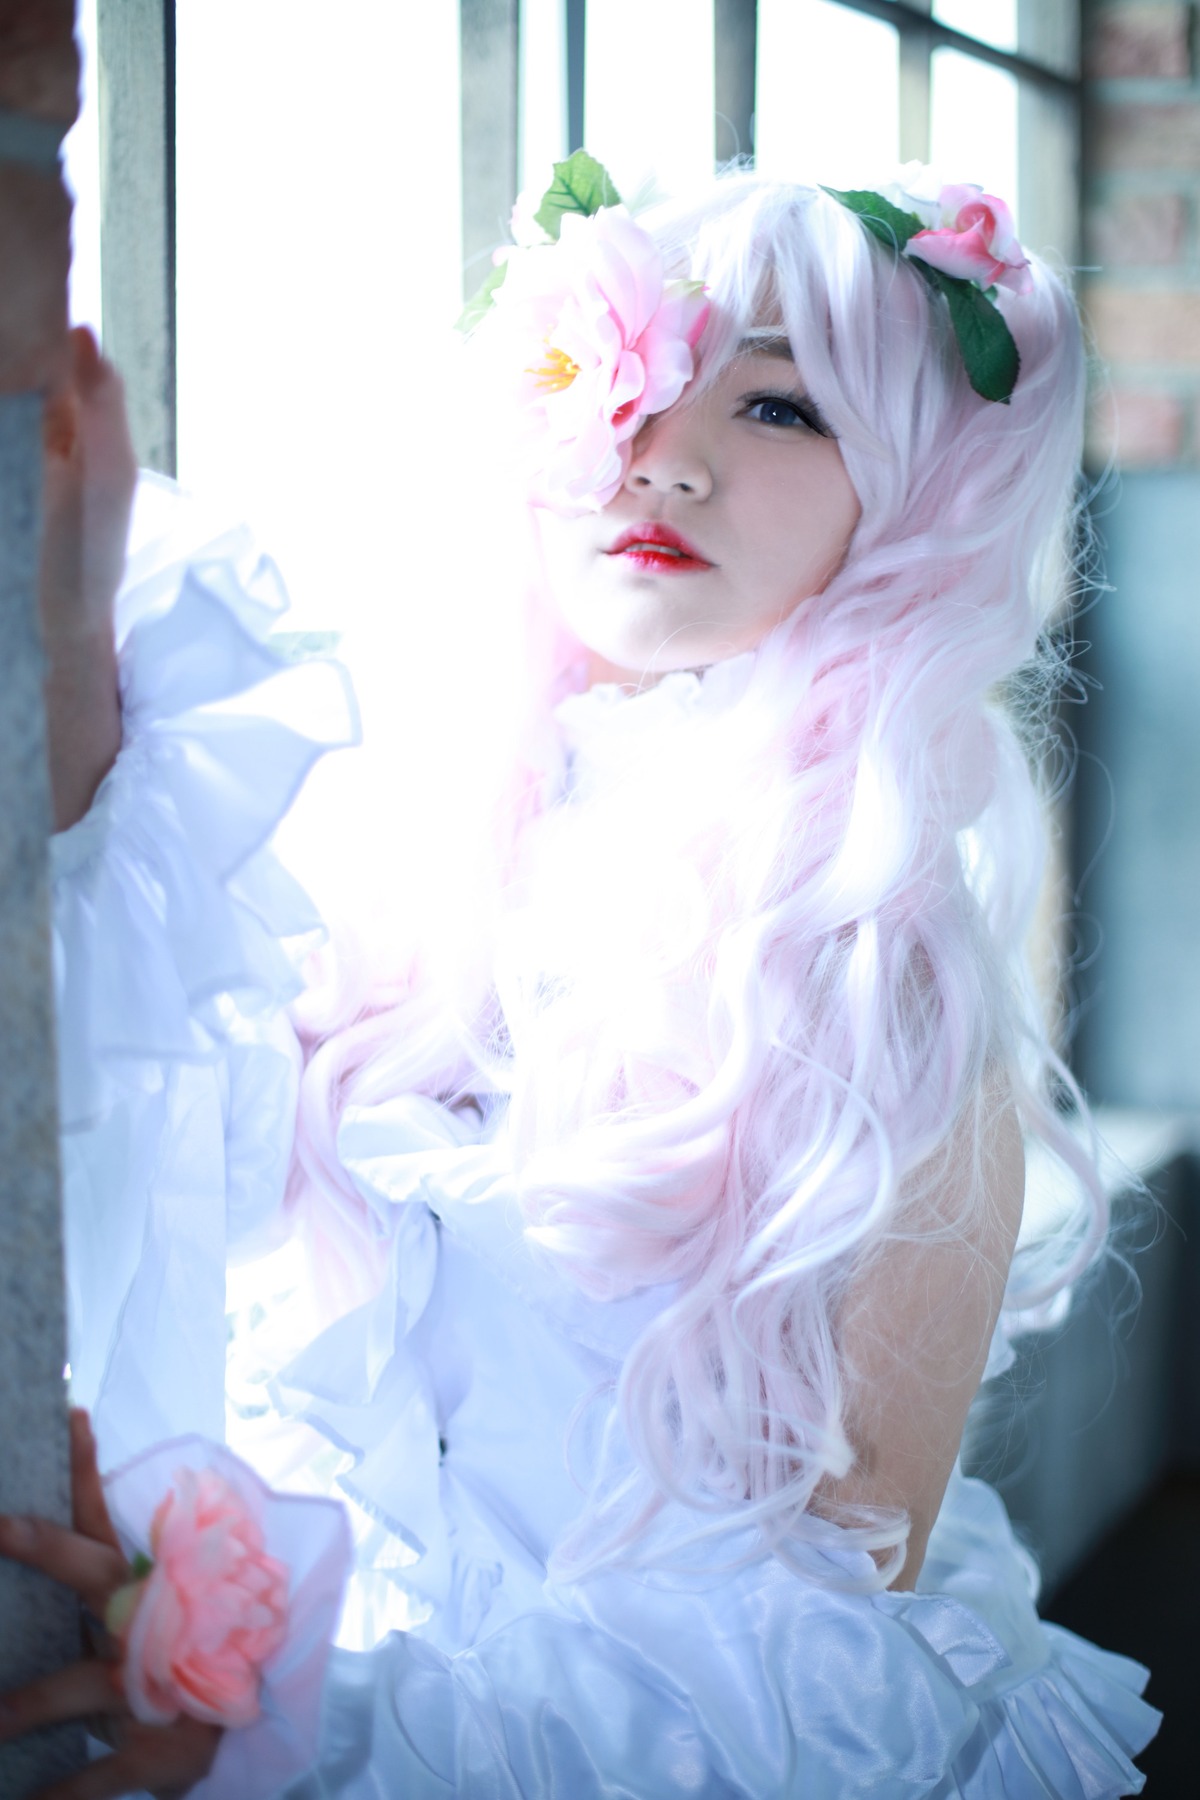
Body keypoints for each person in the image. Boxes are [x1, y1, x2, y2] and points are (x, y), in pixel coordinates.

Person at [0, 166, 1160, 1798]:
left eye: (777, 402)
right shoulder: (396, 838)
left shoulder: (881, 990)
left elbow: (830, 1679)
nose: (662, 449)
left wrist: (301, 1716)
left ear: (920, 503)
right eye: (626, 369)